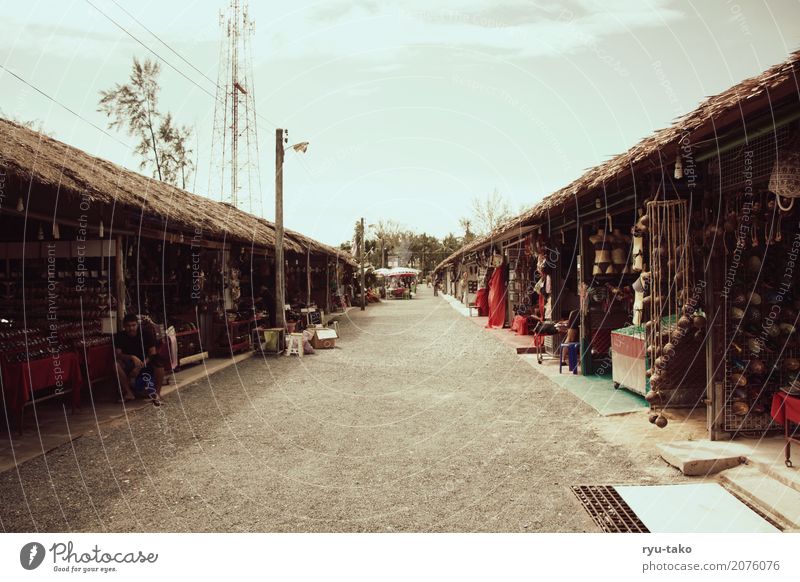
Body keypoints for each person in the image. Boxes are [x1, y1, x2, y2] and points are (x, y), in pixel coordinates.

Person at [114, 314, 164, 406]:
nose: (131, 328)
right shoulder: (119, 336)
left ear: (137, 325)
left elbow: (152, 353)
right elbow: (118, 354)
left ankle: (157, 394)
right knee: (116, 364)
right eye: (128, 326)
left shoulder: (146, 334)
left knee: (158, 361)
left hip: (146, 361)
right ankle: (129, 393)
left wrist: (140, 366)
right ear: (124, 326)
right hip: (130, 362)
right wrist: (132, 357)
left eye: (133, 325)